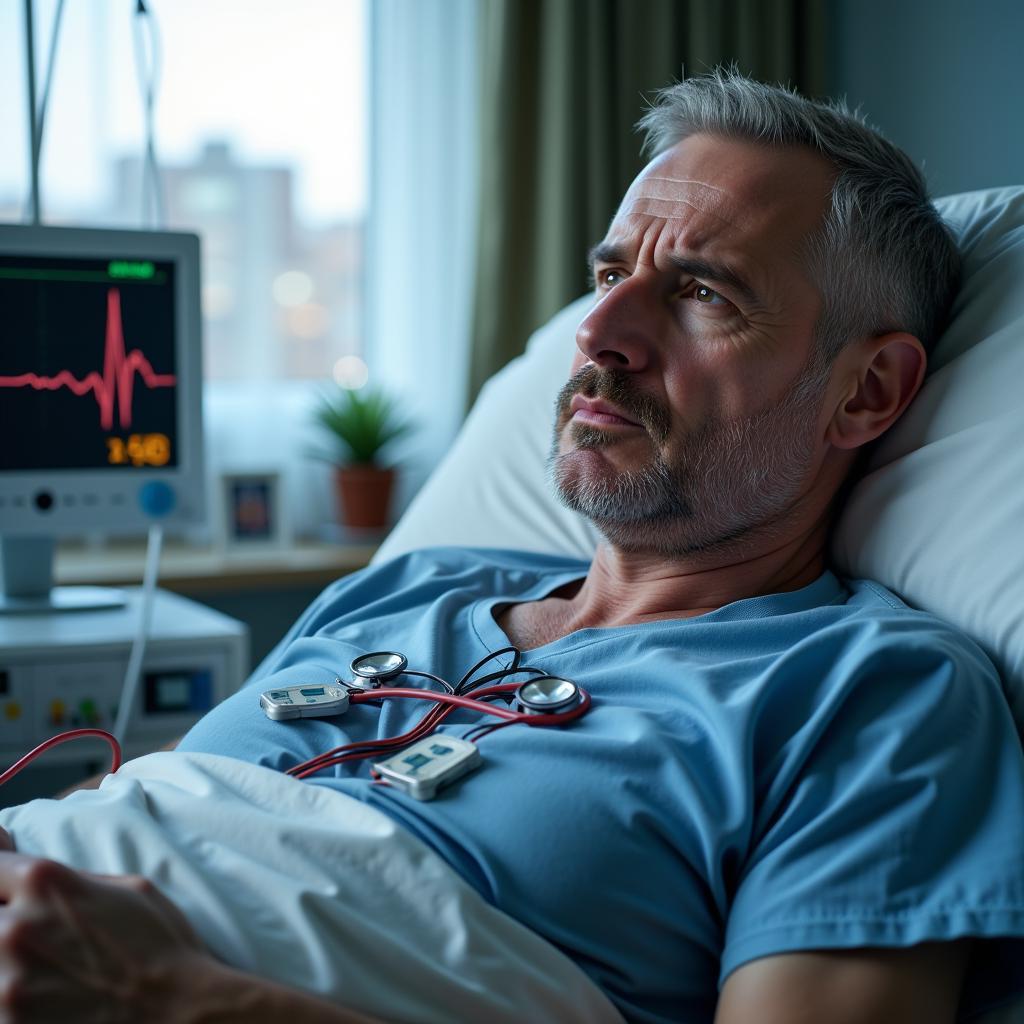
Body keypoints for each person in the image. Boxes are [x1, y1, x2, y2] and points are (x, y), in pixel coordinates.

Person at [0, 68, 1022, 1023]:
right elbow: (141, 805)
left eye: (703, 292)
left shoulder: (873, 697)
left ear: (867, 390)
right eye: (609, 272)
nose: (598, 330)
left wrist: (180, 1001)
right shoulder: (409, 587)